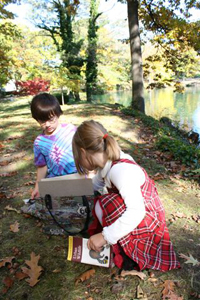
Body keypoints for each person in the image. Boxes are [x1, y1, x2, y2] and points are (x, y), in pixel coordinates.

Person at [72, 120, 180, 272]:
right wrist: (62, 188)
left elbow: (136, 212)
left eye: (78, 157)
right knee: (102, 202)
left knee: (105, 203)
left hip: (147, 225)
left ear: (83, 152)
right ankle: (120, 241)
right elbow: (93, 185)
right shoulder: (107, 164)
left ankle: (127, 252)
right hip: (140, 219)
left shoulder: (120, 171)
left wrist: (104, 236)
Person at [30, 93, 77, 199]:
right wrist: (37, 187)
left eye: (51, 119)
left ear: (58, 114)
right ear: (36, 119)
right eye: (42, 121)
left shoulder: (71, 130)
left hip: (77, 177)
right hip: (55, 182)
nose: (47, 124)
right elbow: (42, 166)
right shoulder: (39, 142)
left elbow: (84, 151)